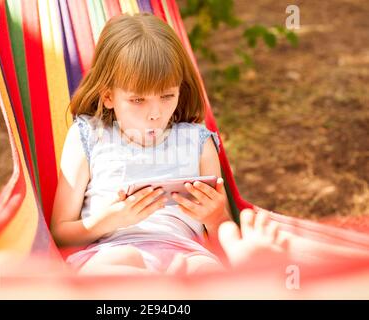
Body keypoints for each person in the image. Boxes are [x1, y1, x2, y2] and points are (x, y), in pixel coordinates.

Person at [51, 12, 288, 276]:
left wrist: (215, 217)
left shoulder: (197, 142)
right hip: (112, 250)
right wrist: (111, 220)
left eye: (167, 96)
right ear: (108, 96)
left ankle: (224, 272)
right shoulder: (89, 136)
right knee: (120, 262)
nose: (155, 113)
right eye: (138, 100)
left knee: (205, 269)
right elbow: (60, 233)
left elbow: (222, 231)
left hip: (186, 252)